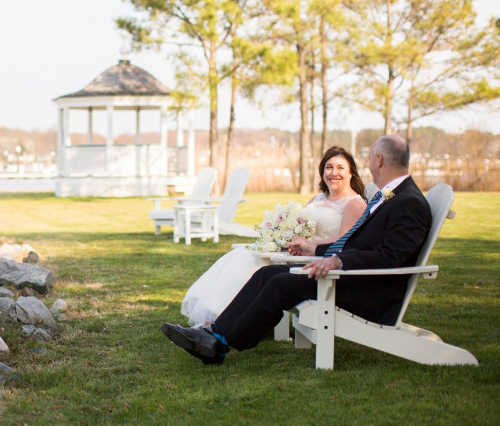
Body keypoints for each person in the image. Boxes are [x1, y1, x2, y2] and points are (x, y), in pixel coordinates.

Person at [162, 135, 432, 365]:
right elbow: (358, 243)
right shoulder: (392, 195)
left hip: (365, 290)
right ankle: (215, 332)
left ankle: (220, 344)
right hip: (353, 277)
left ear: (379, 160)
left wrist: (338, 261)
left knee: (280, 283)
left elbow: (392, 257)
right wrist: (321, 250)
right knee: (268, 273)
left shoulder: (408, 202)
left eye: (371, 157)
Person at [181, 146, 367, 326]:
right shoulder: (319, 198)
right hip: (296, 252)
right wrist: (283, 234)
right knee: (243, 254)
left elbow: (344, 242)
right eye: (329, 167)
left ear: (351, 173)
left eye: (340, 168)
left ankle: (221, 321)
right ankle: (218, 316)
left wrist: (308, 243)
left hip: (315, 259)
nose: (333, 173)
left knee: (255, 265)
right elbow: (299, 222)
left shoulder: (353, 204)